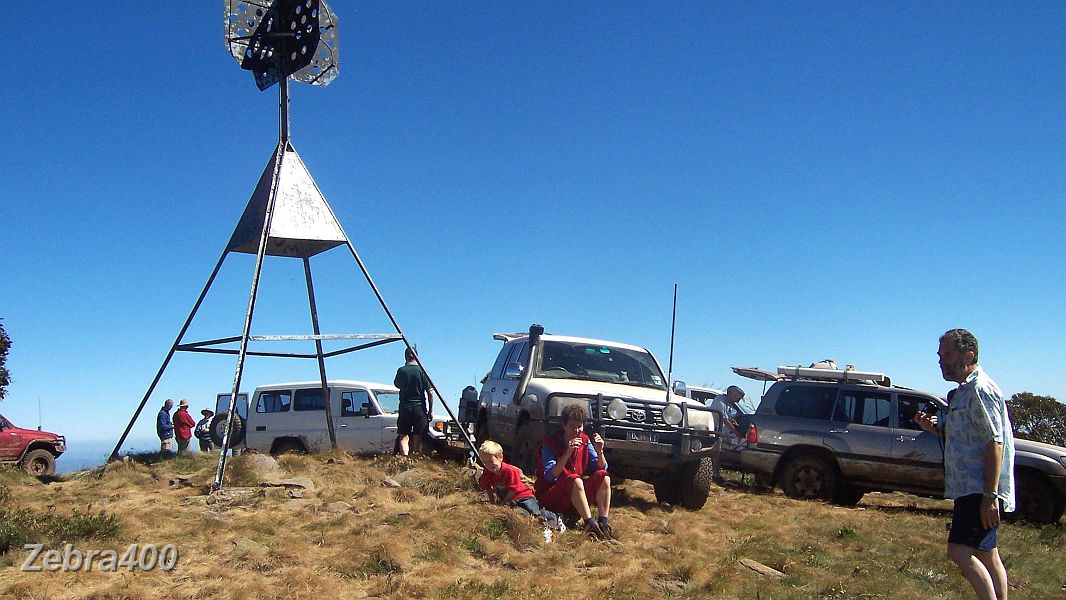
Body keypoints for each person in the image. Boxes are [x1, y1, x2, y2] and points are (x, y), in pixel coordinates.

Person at [915, 328, 1015, 600]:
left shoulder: (980, 390)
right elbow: (966, 435)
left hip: (979, 487)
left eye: (947, 354)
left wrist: (989, 495)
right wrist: (934, 428)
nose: (940, 360)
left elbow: (994, 441)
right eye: (939, 354)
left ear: (968, 355)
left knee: (958, 551)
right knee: (986, 552)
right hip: (970, 488)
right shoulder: (963, 391)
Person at [534, 404, 614, 540]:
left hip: (575, 497)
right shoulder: (549, 444)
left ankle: (603, 523)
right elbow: (550, 475)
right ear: (564, 425)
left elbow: (601, 468)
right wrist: (567, 453)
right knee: (575, 480)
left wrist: (600, 451)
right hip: (553, 495)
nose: (577, 431)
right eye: (573, 427)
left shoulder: (585, 441)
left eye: (580, 426)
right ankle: (590, 524)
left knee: (604, 477)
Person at [478, 440, 564, 542]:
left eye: (491, 461)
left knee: (534, 511)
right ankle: (537, 528)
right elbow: (488, 487)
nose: (489, 465)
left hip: (523, 496)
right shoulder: (488, 472)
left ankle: (554, 519)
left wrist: (502, 503)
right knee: (522, 514)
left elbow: (513, 490)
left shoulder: (510, 471)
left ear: (500, 457)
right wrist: (493, 504)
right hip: (512, 501)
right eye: (485, 463)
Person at [393, 347, 435, 456]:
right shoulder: (422, 371)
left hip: (405, 407)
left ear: (405, 356)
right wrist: (430, 411)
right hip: (419, 408)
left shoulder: (401, 370)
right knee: (418, 435)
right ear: (417, 356)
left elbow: (397, 384)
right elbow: (430, 393)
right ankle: (416, 458)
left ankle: (405, 456)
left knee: (403, 435)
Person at [707, 385, 746, 485]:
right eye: (737, 398)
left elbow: (729, 417)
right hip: (715, 431)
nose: (738, 401)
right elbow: (723, 419)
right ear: (732, 394)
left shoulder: (730, 404)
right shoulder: (719, 401)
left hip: (724, 432)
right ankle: (715, 474)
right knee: (717, 451)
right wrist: (737, 433)